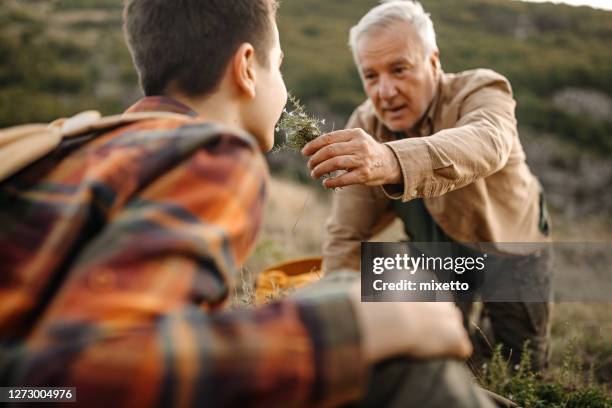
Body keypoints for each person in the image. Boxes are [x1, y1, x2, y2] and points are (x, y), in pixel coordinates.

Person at [0, 0, 495, 406]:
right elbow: (71, 378)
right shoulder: (210, 151)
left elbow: (36, 382)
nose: (283, 89)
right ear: (245, 69)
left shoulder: (82, 144)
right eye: (278, 66)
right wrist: (353, 327)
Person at [302, 0, 552, 371]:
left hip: (510, 246)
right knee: (431, 352)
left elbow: (488, 142)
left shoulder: (482, 89)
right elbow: (347, 235)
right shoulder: (365, 124)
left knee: (523, 366)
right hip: (435, 252)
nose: (385, 91)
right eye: (371, 76)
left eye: (399, 69)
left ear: (433, 62)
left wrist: (390, 160)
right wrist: (334, 321)